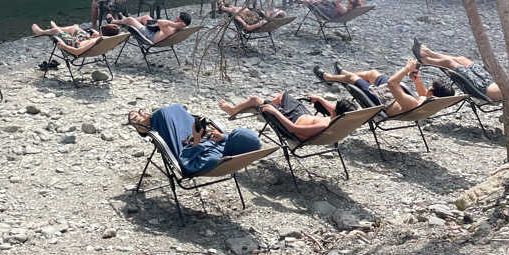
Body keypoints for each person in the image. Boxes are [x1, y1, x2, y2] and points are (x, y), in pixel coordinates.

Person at [412, 39, 509, 102]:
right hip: (488, 81)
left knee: (450, 63)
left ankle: (425, 59)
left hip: (481, 89)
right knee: (462, 59)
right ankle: (429, 53)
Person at [128, 104, 261, 174]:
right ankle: (149, 120)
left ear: (236, 144)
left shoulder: (213, 159)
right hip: (202, 140)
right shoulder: (231, 149)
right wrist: (223, 137)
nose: (229, 135)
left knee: (162, 113)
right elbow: (229, 140)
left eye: (232, 136)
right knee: (176, 109)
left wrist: (196, 139)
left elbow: (187, 165)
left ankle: (144, 125)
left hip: (186, 148)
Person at [314, 58, 454, 114]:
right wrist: (417, 81)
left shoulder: (413, 103)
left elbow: (392, 83)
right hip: (393, 96)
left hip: (382, 100)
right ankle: (342, 73)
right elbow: (424, 96)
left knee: (352, 78)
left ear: (431, 91)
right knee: (373, 74)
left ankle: (328, 78)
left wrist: (406, 68)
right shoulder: (429, 104)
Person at [218, 90, 355, 140]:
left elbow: (292, 129)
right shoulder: (341, 120)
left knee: (254, 99)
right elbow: (332, 109)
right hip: (300, 115)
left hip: (290, 121)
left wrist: (275, 112)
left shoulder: (324, 124)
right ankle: (260, 108)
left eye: (334, 108)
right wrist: (319, 98)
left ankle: (234, 110)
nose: (332, 108)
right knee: (284, 96)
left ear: (336, 113)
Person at [31, 20, 102, 55]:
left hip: (75, 44)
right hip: (87, 40)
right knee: (74, 27)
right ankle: (58, 28)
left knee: (56, 31)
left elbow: (77, 52)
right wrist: (97, 35)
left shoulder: (95, 41)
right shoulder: (107, 38)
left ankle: (41, 32)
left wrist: (64, 46)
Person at [118, 11, 191, 44]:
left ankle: (114, 21)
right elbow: (187, 26)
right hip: (155, 31)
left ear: (180, 22)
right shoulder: (180, 29)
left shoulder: (172, 30)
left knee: (130, 19)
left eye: (177, 19)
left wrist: (174, 24)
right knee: (146, 17)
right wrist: (177, 25)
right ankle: (124, 21)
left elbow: (160, 22)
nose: (174, 20)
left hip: (149, 36)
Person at [216, 0, 285, 32]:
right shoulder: (264, 18)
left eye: (271, 12)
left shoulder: (263, 22)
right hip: (250, 17)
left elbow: (248, 27)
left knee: (236, 11)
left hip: (248, 21)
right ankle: (228, 6)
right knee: (243, 9)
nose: (270, 11)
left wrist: (239, 19)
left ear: (271, 16)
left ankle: (223, 8)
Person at [299, 0, 365, 19]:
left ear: (351, 5)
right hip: (331, 11)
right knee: (322, 0)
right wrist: (357, 0)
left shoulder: (344, 10)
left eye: (348, 2)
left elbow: (335, 2)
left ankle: (301, 0)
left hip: (328, 14)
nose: (347, 3)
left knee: (312, 3)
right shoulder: (353, 8)